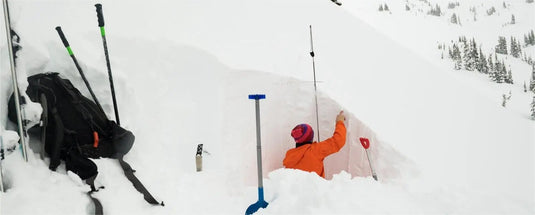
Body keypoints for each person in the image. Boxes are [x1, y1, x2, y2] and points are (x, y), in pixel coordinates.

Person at [283, 111, 347, 178]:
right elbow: (338, 141)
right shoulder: (315, 150)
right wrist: (339, 122)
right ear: (311, 137)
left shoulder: (289, 155)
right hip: (314, 188)